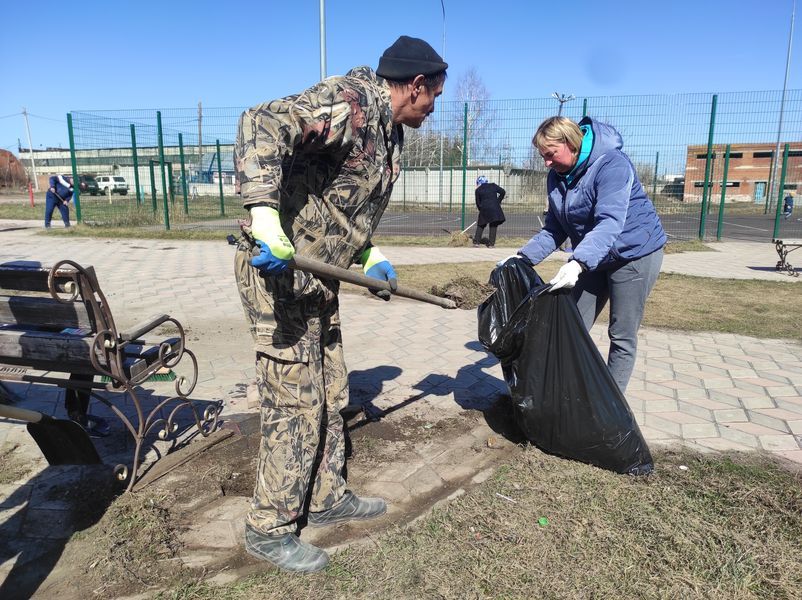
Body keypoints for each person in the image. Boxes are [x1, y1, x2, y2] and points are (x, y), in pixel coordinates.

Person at [233, 36, 447, 573]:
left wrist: (369, 255)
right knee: (294, 401)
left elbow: (345, 202)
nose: (434, 107)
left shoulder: (390, 132)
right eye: (434, 96)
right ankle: (269, 526)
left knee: (331, 388)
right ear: (415, 86)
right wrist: (263, 216)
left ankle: (326, 496)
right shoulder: (350, 102)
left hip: (319, 276)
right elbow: (259, 122)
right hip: (276, 271)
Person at [502, 116, 666, 394]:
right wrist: (522, 258)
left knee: (621, 334)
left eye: (550, 154)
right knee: (571, 326)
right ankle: (561, 395)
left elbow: (610, 222)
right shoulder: (557, 177)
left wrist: (578, 262)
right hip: (594, 256)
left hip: (634, 253)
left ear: (570, 143)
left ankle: (612, 408)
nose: (546, 163)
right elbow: (554, 228)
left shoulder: (612, 164)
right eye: (543, 156)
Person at [472, 176, 506, 248]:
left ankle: (476, 242)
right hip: (495, 208)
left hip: (484, 208)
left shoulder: (478, 190)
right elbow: (503, 192)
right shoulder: (493, 185)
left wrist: (481, 209)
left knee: (481, 225)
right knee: (493, 225)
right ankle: (491, 244)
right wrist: (498, 201)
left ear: (479, 182)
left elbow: (478, 202)